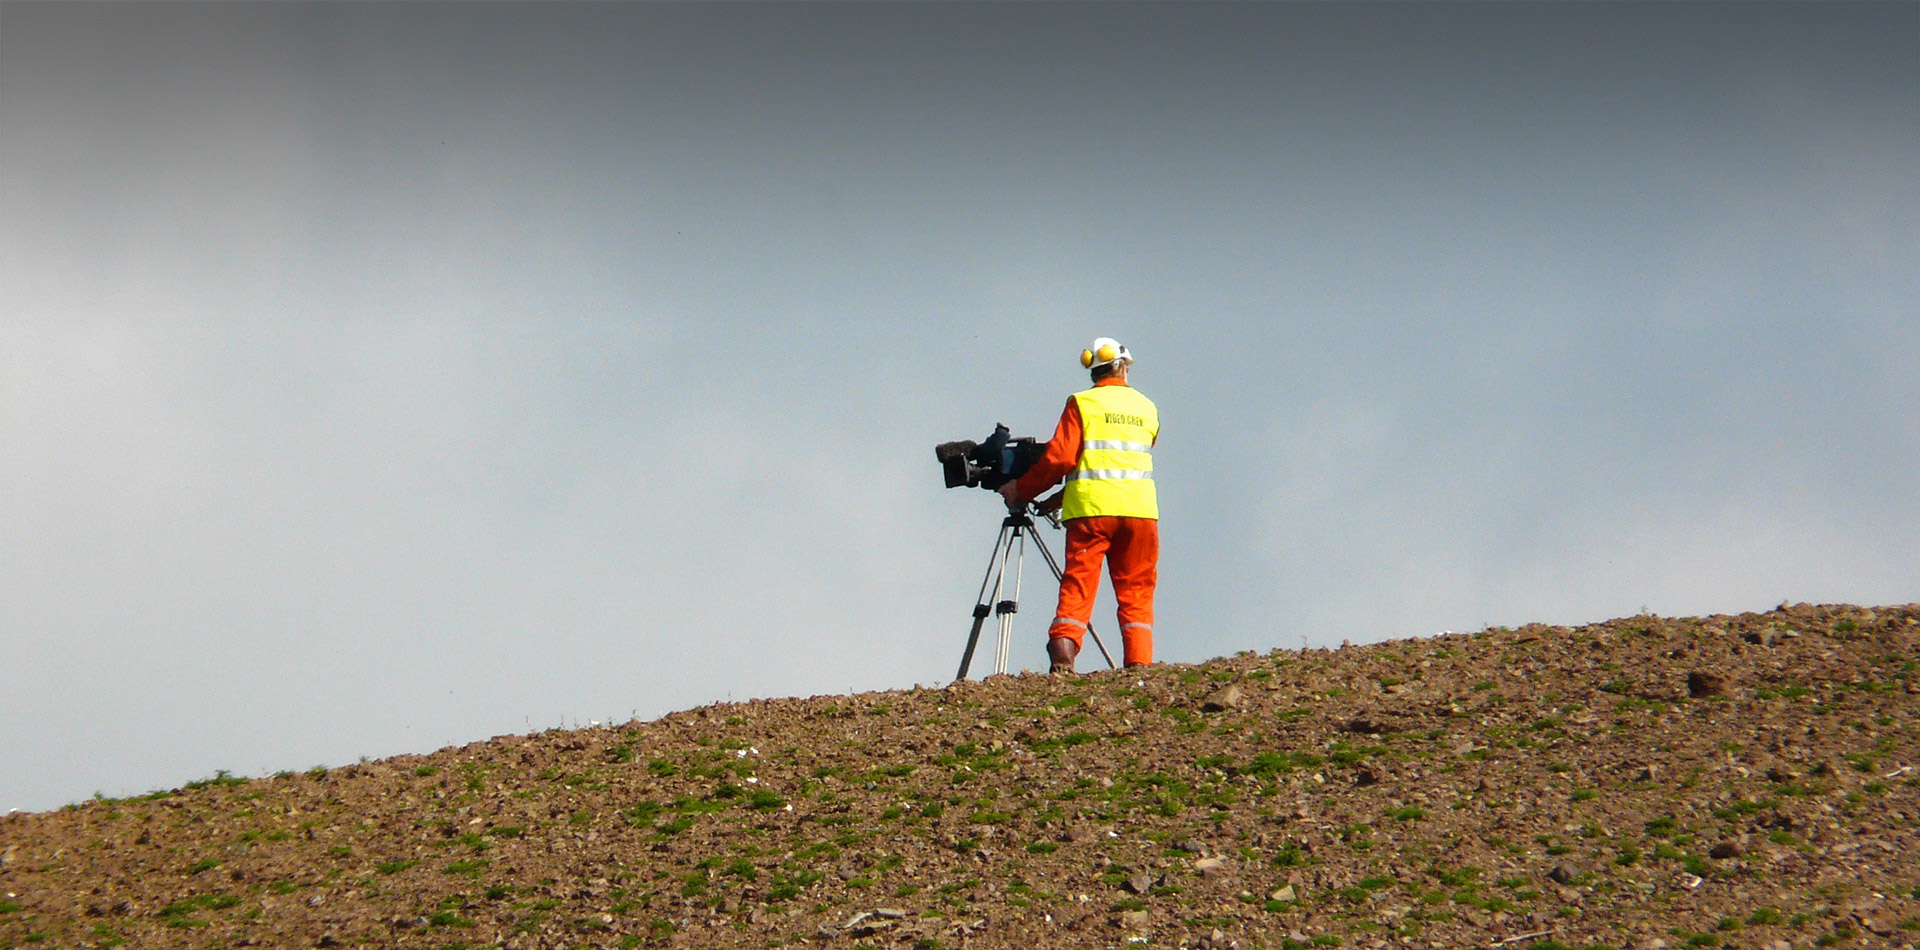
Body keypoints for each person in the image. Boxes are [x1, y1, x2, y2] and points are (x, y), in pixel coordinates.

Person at [998, 337, 1159, 673]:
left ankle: (1063, 656)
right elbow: (1116, 465)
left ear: (1093, 370)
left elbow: (1060, 460)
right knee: (1136, 592)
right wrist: (1057, 498)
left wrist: (1022, 490)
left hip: (1091, 514)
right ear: (1122, 366)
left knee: (1079, 584)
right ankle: (1139, 665)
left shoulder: (1082, 404)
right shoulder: (1147, 407)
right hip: (1141, 514)